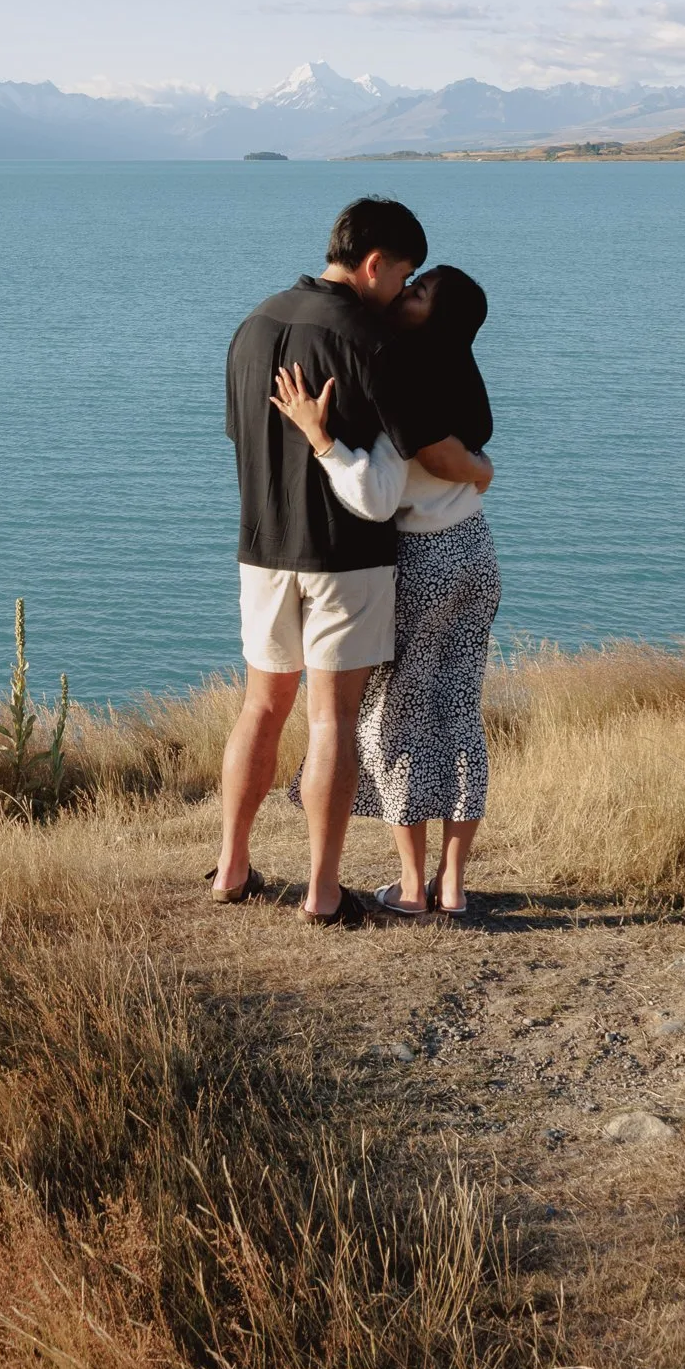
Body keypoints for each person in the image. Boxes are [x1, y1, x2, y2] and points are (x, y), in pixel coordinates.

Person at [216, 199, 482, 926]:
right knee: (330, 720)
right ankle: (323, 892)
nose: (403, 290)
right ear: (375, 265)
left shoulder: (253, 326)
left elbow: (236, 436)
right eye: (403, 276)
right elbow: (410, 463)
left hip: (262, 549)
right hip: (346, 559)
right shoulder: (373, 343)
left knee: (259, 707)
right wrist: (477, 470)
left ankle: (232, 867)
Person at [272, 264, 499, 920]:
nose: (405, 292)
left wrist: (319, 439)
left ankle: (409, 886)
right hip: (475, 552)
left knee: (396, 721)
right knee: (457, 717)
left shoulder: (401, 379)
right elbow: (469, 467)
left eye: (420, 291)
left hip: (424, 559)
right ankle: (452, 886)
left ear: (437, 317)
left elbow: (375, 499)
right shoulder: (458, 374)